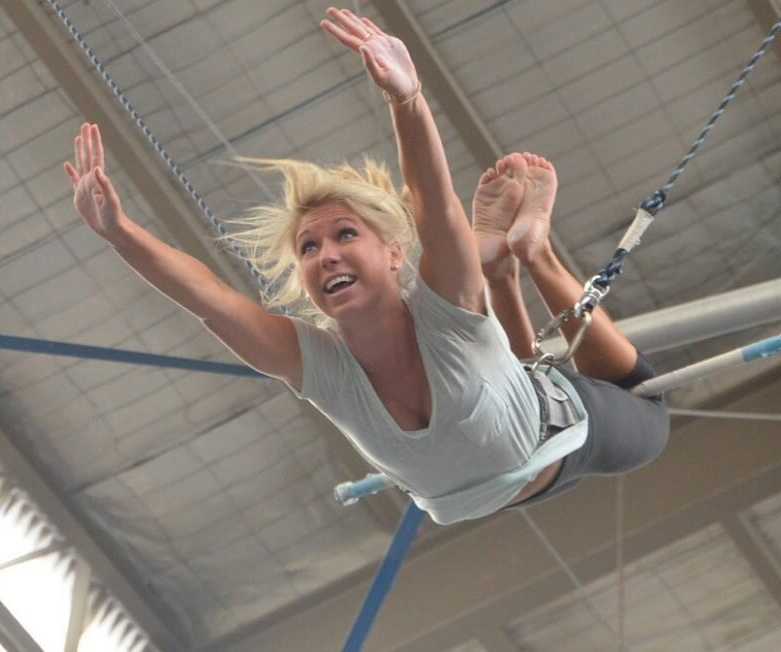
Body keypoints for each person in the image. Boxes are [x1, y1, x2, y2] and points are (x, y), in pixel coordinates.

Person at [63, 7, 669, 524]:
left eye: (344, 235)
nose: (325, 254)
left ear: (394, 252)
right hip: (494, 466)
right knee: (505, 363)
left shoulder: (443, 308)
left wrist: (406, 100)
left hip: (562, 437)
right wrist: (120, 233)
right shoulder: (321, 367)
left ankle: (530, 254)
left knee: (645, 404)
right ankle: (502, 266)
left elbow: (432, 198)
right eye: (308, 248)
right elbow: (211, 300)